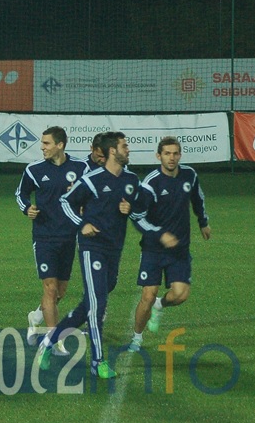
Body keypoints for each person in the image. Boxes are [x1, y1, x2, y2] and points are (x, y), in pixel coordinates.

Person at [37, 131, 142, 379]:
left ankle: (49, 340)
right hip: (92, 248)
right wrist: (82, 224)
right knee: (97, 305)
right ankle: (98, 361)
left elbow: (140, 211)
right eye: (124, 146)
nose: (128, 149)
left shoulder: (131, 180)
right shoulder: (92, 179)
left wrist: (132, 208)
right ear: (113, 151)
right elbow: (66, 201)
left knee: (90, 304)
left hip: (114, 249)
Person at [128, 136, 211, 352]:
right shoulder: (151, 183)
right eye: (167, 154)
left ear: (180, 155)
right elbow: (137, 216)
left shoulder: (189, 175)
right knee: (148, 295)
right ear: (159, 156)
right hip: (153, 249)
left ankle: (160, 304)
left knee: (180, 295)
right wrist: (159, 234)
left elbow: (198, 199)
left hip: (179, 249)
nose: (171, 158)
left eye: (175, 153)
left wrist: (203, 222)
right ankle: (137, 338)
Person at [15, 126, 91, 357]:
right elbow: (20, 194)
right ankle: (53, 341)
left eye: (47, 143)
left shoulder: (81, 168)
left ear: (60, 145)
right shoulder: (34, 170)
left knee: (60, 291)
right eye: (42, 143)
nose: (42, 147)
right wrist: (27, 208)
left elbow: (92, 193)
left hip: (69, 237)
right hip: (44, 237)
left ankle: (36, 315)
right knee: (49, 288)